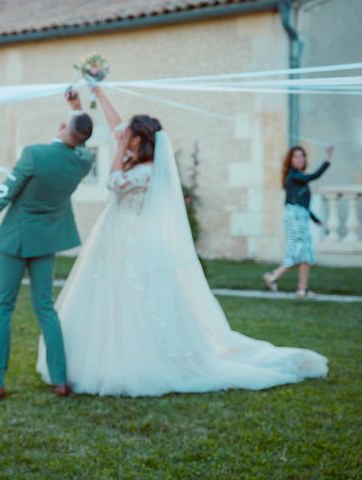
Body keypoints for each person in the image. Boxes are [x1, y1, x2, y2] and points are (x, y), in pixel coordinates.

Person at [36, 88, 328, 397]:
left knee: (131, 300)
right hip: (114, 238)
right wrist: (97, 94)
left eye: (128, 136)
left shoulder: (146, 171)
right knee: (106, 297)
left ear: (137, 141)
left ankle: (136, 362)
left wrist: (119, 148)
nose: (122, 137)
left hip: (131, 242)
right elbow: (116, 126)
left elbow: (113, 183)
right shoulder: (136, 158)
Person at [0, 92, 94, 399]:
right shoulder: (82, 163)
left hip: (14, 240)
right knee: (45, 308)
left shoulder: (34, 154)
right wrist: (78, 111)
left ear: (63, 126)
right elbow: (83, 144)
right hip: (46, 242)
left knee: (2, 309)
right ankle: (60, 380)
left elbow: (5, 193)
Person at [264, 145, 333, 297]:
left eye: (302, 156)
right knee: (300, 253)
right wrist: (327, 160)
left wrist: (315, 219)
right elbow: (313, 176)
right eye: (296, 156)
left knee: (304, 254)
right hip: (295, 217)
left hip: (300, 215)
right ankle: (276, 277)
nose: (300, 159)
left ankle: (299, 288)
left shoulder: (298, 177)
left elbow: (303, 204)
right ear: (290, 160)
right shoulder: (293, 175)